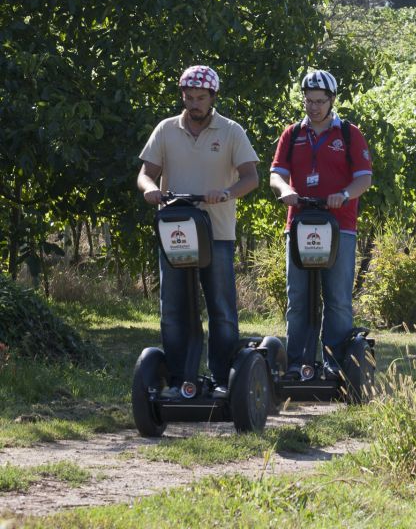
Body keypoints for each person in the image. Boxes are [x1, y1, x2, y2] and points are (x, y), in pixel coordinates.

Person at [137, 65, 260, 398]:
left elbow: (251, 177)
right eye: (189, 97)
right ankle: (180, 380)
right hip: (175, 232)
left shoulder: (231, 131)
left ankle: (222, 380)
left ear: (212, 97)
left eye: (200, 98)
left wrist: (227, 192)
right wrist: (149, 189)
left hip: (216, 233)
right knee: (174, 309)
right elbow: (146, 174)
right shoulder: (166, 129)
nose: (194, 104)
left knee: (221, 308)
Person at [269, 69, 373, 379]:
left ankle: (334, 363)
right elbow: (277, 173)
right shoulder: (292, 134)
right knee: (298, 298)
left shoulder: (348, 134)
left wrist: (343, 194)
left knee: (338, 298)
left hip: (339, 226)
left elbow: (364, 179)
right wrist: (285, 190)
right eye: (309, 101)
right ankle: (297, 362)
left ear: (331, 101)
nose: (313, 107)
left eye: (320, 101)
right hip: (300, 224)